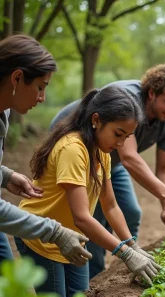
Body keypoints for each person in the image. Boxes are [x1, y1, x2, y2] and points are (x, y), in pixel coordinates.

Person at [51, 64, 165, 279]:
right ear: (151, 93)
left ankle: (130, 263)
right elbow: (129, 157)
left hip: (109, 159)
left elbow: (164, 168)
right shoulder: (128, 101)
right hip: (82, 153)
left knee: (130, 211)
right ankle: (95, 275)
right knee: (93, 215)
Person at [16, 86, 160, 297]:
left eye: (127, 137)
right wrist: (126, 254)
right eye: (118, 134)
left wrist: (132, 244)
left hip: (72, 239)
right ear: (96, 120)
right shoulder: (73, 149)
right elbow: (82, 217)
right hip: (42, 237)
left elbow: (110, 205)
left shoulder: (102, 153)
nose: (121, 143)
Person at [0, 34, 92, 266]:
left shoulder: (5, 111)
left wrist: (5, 175)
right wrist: (55, 232)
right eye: (40, 87)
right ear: (17, 78)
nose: (42, 98)